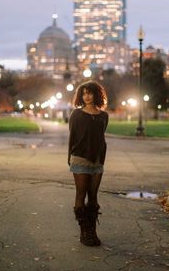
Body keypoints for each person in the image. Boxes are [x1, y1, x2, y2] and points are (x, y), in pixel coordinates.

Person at [68, 81, 109, 246]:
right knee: (81, 195)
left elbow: (101, 138)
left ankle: (92, 231)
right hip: (80, 159)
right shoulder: (76, 115)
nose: (87, 96)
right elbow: (72, 137)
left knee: (93, 197)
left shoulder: (104, 116)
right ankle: (84, 231)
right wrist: (69, 157)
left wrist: (101, 158)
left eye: (90, 93)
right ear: (80, 96)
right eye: (84, 93)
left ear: (96, 94)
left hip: (97, 162)